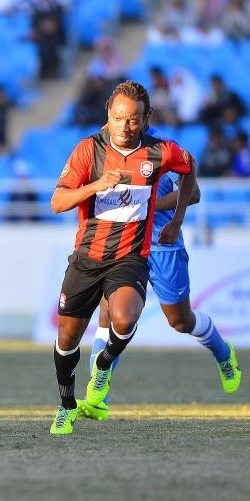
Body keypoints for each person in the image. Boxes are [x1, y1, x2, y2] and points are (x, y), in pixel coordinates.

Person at [48, 80, 196, 435]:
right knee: (66, 340)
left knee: (125, 318)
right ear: (108, 115)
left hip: (130, 258)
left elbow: (189, 168)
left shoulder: (160, 151)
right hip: (87, 258)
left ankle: (104, 364)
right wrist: (95, 186)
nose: (125, 126)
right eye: (118, 118)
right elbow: (57, 202)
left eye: (133, 119)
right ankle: (67, 405)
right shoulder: (89, 149)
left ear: (145, 119)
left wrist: (176, 220)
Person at [82, 162, 241, 422]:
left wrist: (147, 205)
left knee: (180, 321)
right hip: (124, 247)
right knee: (108, 312)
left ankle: (223, 353)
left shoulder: (166, 152)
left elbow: (194, 193)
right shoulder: (110, 150)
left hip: (162, 247)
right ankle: (98, 399)